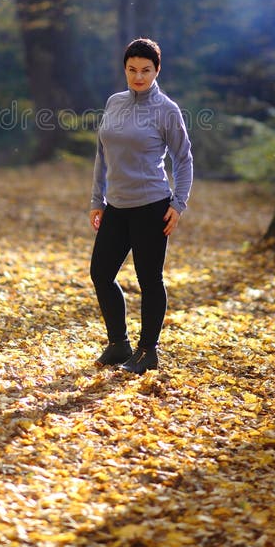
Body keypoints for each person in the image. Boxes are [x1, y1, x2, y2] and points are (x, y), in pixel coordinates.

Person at [89, 37, 193, 374]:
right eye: (132, 69)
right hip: (116, 207)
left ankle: (148, 351)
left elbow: (183, 159)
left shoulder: (167, 110)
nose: (138, 76)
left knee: (149, 280)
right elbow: (102, 155)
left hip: (152, 206)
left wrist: (179, 203)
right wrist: (97, 199)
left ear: (157, 70)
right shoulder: (115, 102)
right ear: (125, 69)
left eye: (146, 70)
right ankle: (119, 344)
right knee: (101, 273)